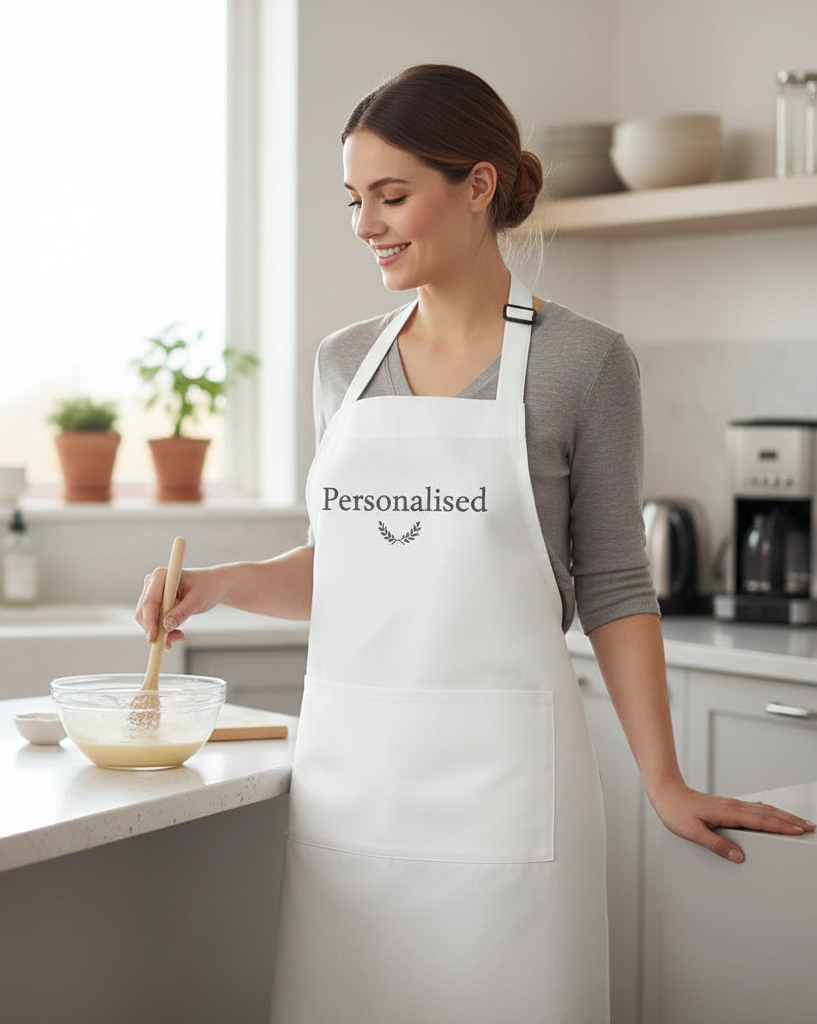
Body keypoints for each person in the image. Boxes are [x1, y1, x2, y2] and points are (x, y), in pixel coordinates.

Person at [136, 64, 815, 1024]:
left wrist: (662, 781)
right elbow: (351, 565)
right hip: (355, 793)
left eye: (391, 196)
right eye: (354, 200)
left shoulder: (585, 363)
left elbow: (617, 584)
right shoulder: (343, 363)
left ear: (478, 186)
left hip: (508, 795)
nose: (365, 224)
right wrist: (218, 585)